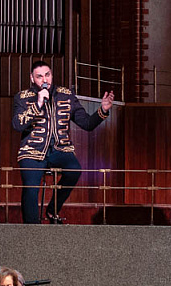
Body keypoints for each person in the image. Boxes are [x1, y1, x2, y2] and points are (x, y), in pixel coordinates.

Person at [12, 60, 114, 224]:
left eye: (47, 75)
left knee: (74, 170)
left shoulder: (66, 95)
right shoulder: (22, 97)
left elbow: (87, 124)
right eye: (39, 77)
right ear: (32, 78)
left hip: (60, 150)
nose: (45, 80)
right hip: (32, 150)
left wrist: (103, 110)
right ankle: (32, 229)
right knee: (31, 187)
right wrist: (38, 103)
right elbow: (17, 125)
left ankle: (52, 210)